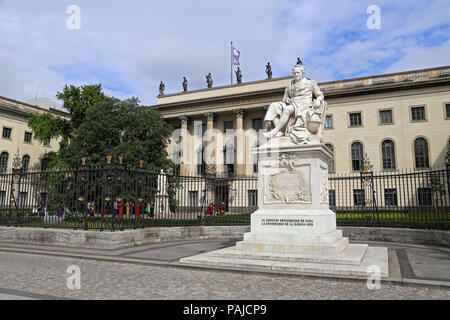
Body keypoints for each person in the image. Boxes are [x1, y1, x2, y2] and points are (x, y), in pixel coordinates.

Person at [263, 62, 325, 144]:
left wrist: (318, 101)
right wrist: (287, 100)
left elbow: (320, 95)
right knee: (274, 106)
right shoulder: (290, 85)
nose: (296, 75)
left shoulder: (310, 83)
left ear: (303, 73)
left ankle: (275, 131)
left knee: (288, 109)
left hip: (304, 104)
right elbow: (284, 99)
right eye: (294, 73)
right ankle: (281, 131)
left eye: (298, 72)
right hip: (292, 103)